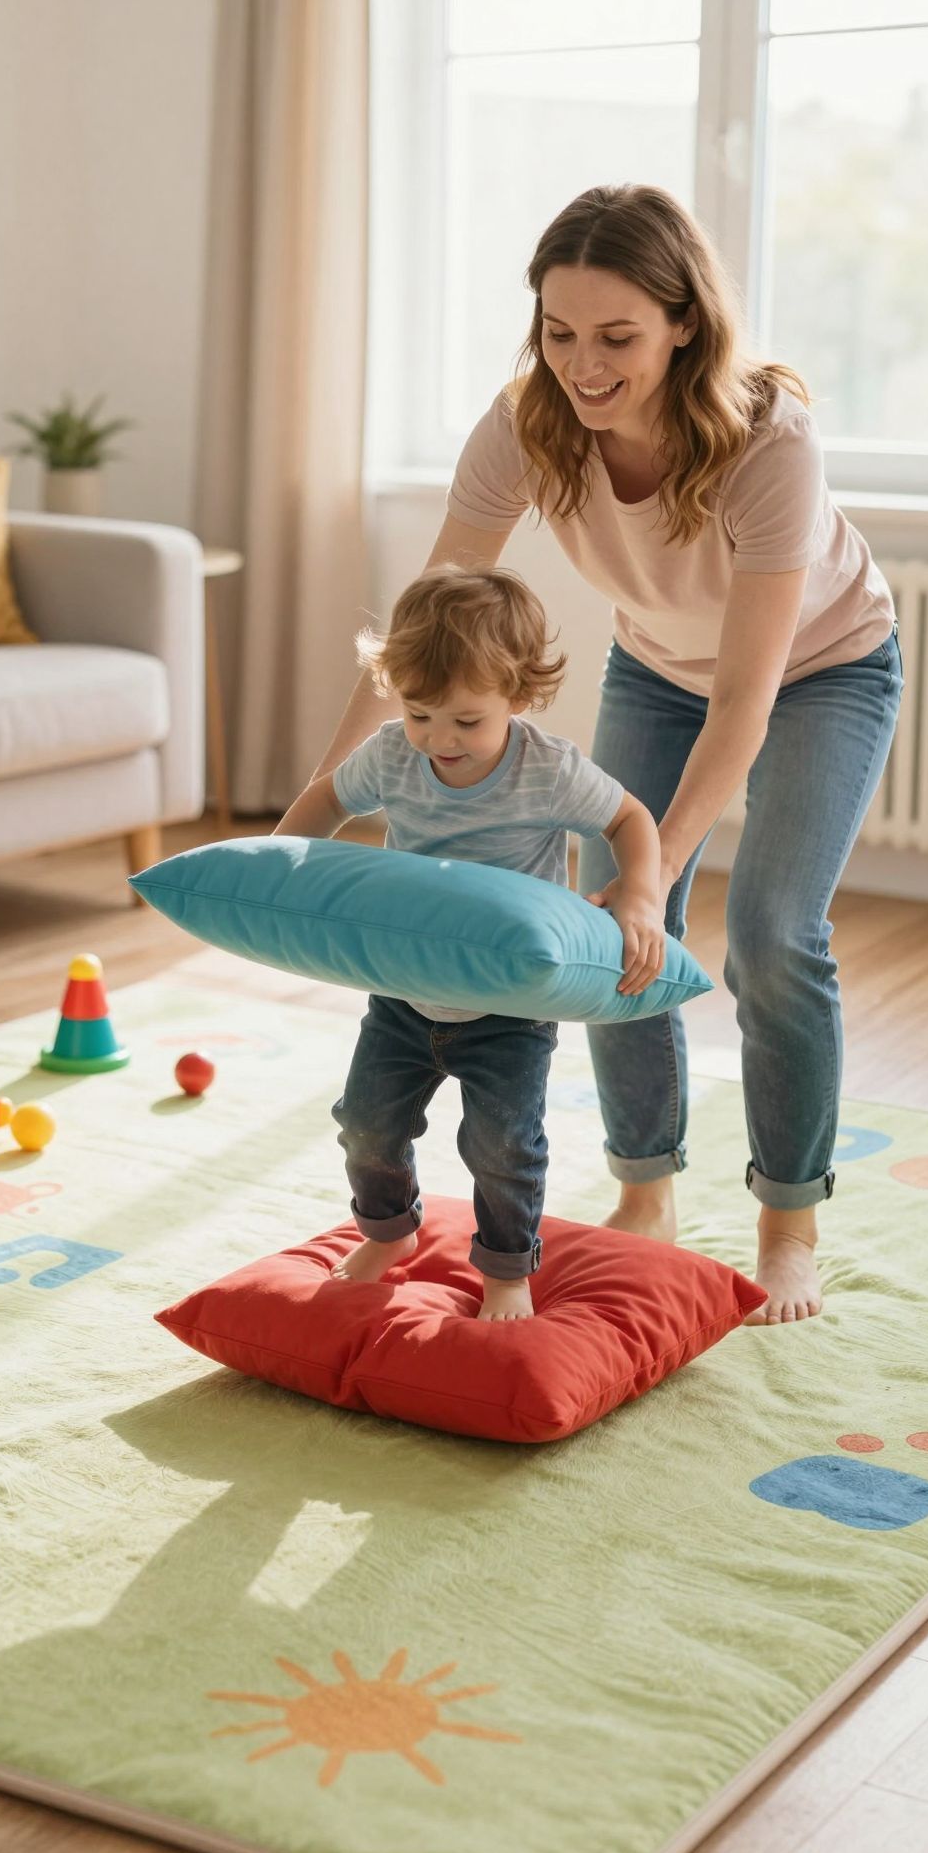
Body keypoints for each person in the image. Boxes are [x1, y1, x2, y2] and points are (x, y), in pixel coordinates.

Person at [310, 183, 903, 1327]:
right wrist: (323, 801)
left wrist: (654, 866)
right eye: (559, 330)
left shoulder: (766, 441)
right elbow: (419, 629)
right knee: (613, 930)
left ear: (685, 323)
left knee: (776, 933)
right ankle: (649, 1188)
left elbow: (745, 697)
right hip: (657, 665)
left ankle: (790, 1224)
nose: (583, 364)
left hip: (824, 668)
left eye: (617, 336)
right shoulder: (526, 421)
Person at [275, 565, 666, 1322]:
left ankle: (506, 1274)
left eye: (465, 720)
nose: (439, 740)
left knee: (503, 1146)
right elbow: (328, 795)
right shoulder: (394, 753)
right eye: (420, 713)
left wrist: (642, 896)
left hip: (510, 1004)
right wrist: (276, 866)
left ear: (518, 697)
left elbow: (630, 820)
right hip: (404, 990)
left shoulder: (546, 770)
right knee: (366, 1123)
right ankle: (389, 1232)